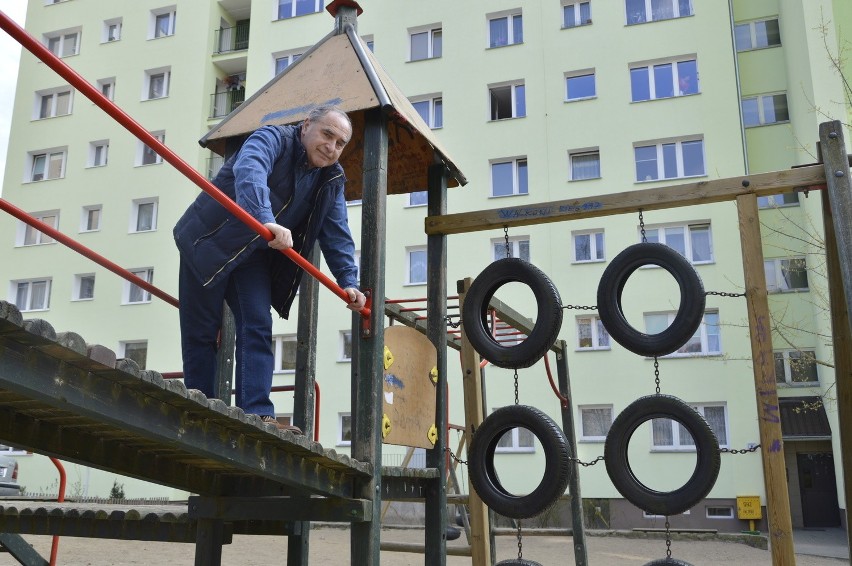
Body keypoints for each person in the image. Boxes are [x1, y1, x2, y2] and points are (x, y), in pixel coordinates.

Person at [173, 105, 366, 433]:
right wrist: (265, 218)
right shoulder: (272, 138)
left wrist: (349, 280)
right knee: (202, 332)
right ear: (306, 126)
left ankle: (258, 414)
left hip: (252, 255)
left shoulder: (330, 178)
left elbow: (337, 230)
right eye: (327, 134)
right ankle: (200, 409)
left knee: (258, 323)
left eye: (340, 143)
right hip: (206, 243)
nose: (332, 147)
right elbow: (250, 170)